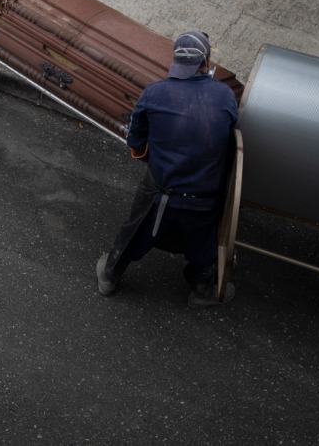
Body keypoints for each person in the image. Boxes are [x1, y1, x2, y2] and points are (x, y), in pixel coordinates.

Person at [95, 31, 239, 308]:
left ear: (175, 61)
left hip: (162, 194)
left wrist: (157, 160)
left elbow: (136, 142)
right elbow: (230, 142)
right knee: (203, 243)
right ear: (206, 62)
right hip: (204, 197)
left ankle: (110, 275)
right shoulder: (224, 95)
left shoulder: (154, 93)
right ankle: (202, 290)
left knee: (136, 231)